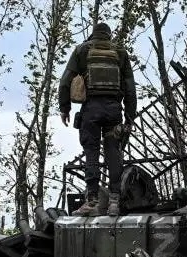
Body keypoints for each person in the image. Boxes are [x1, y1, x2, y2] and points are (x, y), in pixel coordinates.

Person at [58, 22, 137, 216]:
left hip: (91, 110)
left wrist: (65, 108)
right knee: (113, 152)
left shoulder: (82, 50)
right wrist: (129, 116)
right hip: (113, 110)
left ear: (93, 35)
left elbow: (65, 81)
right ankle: (114, 202)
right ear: (109, 36)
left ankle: (91, 201)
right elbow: (130, 88)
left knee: (91, 151)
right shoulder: (120, 52)